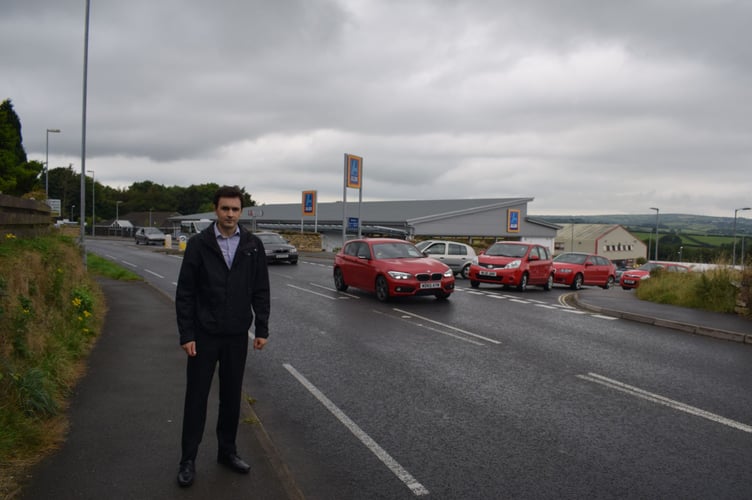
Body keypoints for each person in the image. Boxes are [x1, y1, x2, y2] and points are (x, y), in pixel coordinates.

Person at [175, 185, 270, 488]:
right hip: (204, 335)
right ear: (215, 210)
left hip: (235, 335)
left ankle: (227, 452)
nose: (230, 214)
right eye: (225, 208)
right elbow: (186, 293)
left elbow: (261, 289)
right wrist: (187, 333)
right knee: (196, 398)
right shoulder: (199, 244)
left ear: (241, 212)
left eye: (235, 209)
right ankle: (187, 459)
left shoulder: (252, 244)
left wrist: (262, 328)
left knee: (231, 398)